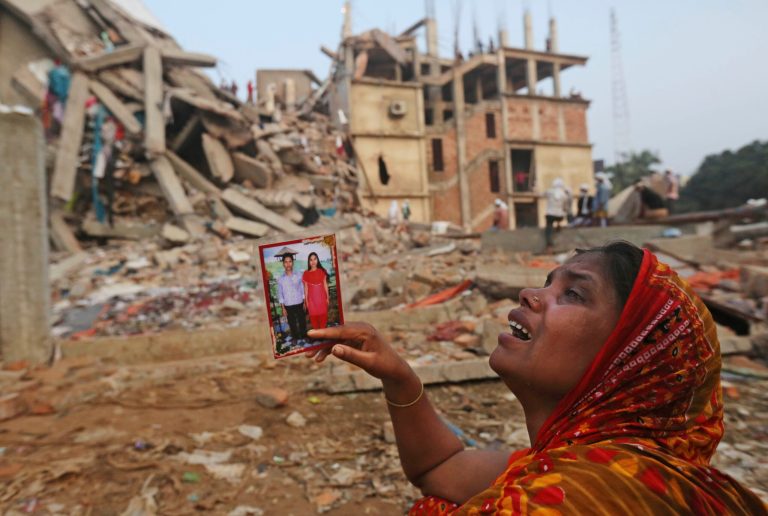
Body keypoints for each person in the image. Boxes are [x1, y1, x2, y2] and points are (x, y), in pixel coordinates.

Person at [305, 241, 765, 514]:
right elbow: (440, 470)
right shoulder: (595, 465)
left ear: (626, 357)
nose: (531, 294)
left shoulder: (568, 498)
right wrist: (399, 377)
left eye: (575, 294)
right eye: (548, 282)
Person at [277, 253, 307, 345]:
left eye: (290, 261)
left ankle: (304, 336)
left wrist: (305, 302)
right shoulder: (280, 279)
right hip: (288, 304)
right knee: (292, 322)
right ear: (283, 264)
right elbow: (280, 294)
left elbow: (302, 289)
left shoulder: (299, 275)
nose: (288, 264)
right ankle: (295, 337)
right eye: (286, 262)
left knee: (302, 320)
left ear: (292, 262)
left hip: (299, 302)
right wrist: (283, 308)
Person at [302, 252, 330, 330]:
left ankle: (323, 333)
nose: (313, 261)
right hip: (311, 301)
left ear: (317, 260)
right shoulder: (306, 273)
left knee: (323, 317)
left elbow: (325, 285)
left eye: (315, 259)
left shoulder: (322, 271)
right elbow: (306, 288)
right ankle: (318, 335)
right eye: (311, 260)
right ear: (309, 262)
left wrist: (327, 297)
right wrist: (306, 301)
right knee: (313, 318)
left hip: (322, 298)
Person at [544, 178, 568, 250]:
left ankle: (549, 244)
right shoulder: (564, 194)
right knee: (559, 217)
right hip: (559, 216)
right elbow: (565, 207)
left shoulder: (549, 192)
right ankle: (558, 225)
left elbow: (542, 194)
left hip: (550, 215)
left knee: (548, 228)